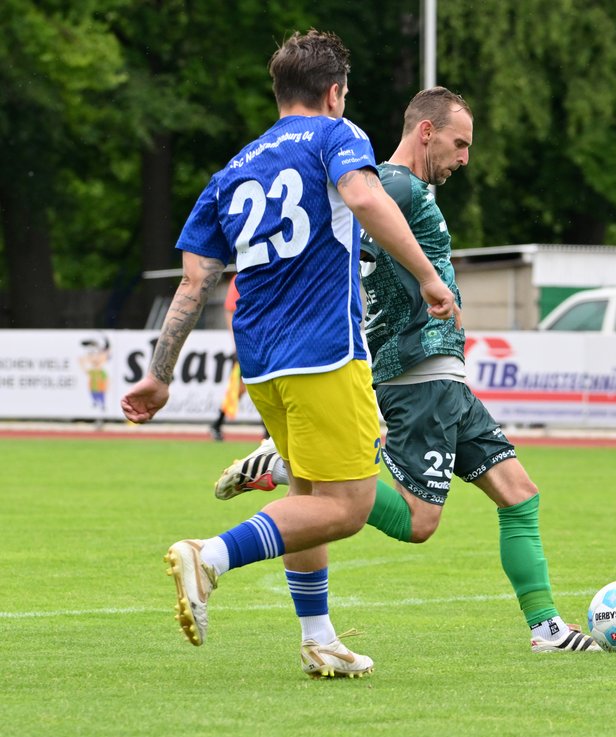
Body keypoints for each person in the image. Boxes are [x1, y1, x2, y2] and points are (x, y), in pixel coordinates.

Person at [120, 30, 458, 679]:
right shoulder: (337, 135)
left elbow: (194, 282)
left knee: (308, 492)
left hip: (262, 360)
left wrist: (159, 377)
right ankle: (209, 557)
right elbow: (364, 197)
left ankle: (318, 638)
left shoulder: (232, 171)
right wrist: (427, 276)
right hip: (324, 350)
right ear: (334, 92)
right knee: (348, 507)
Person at [214, 86, 600, 654]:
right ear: (426, 131)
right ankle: (284, 465)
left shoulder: (398, 188)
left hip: (443, 374)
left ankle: (547, 631)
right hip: (417, 371)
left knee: (520, 494)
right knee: (419, 523)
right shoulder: (392, 184)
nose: (465, 157)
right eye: (459, 143)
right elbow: (350, 227)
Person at [209, 276, 270, 442]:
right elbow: (230, 309)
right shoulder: (240, 278)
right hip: (249, 345)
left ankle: (217, 424)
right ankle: (218, 424)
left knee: (251, 388)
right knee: (247, 388)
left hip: (263, 343)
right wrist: (237, 340)